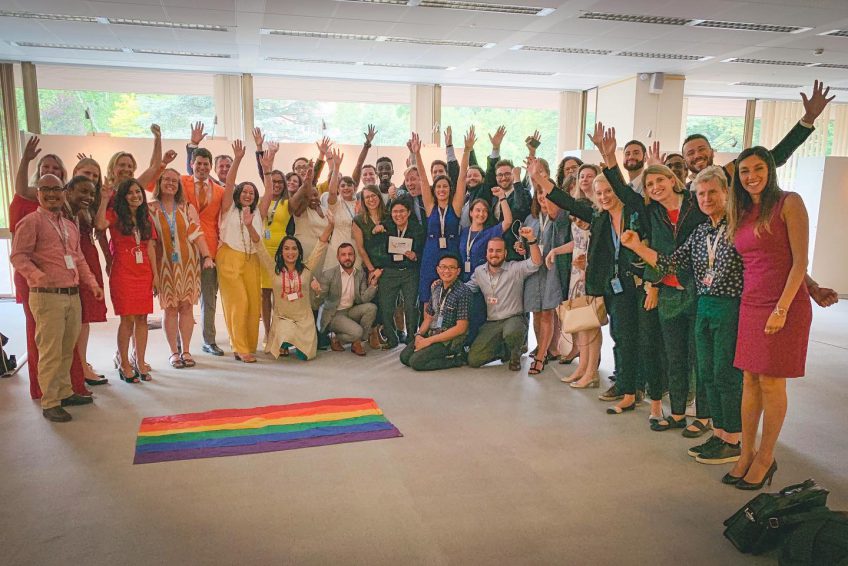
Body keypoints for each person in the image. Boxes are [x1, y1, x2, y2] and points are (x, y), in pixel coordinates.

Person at [621, 166, 744, 465]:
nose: (706, 198)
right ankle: (719, 435)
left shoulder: (740, 228)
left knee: (725, 374)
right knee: (708, 372)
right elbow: (670, 263)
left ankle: (734, 438)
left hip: (732, 307)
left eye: (712, 192)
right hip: (704, 304)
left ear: (727, 193)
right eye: (701, 194)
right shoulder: (702, 232)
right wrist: (637, 246)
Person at [594, 128, 710, 436]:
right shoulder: (651, 211)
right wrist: (608, 157)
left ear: (673, 180)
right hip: (667, 290)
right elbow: (624, 192)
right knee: (673, 356)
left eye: (661, 180)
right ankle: (678, 414)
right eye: (650, 183)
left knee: (699, 357)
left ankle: (705, 416)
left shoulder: (696, 205)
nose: (656, 187)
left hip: (697, 289)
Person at [533, 156, 653, 415]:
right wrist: (540, 180)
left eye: (608, 190)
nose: (604, 196)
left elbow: (625, 192)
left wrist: (609, 159)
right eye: (599, 193)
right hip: (609, 286)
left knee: (633, 338)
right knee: (620, 337)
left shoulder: (633, 212)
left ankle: (632, 389)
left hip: (635, 285)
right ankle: (625, 386)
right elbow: (567, 203)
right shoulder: (598, 217)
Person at [723, 147, 813, 490]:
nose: (751, 176)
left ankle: (766, 456)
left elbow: (798, 260)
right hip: (751, 303)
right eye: (744, 171)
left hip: (783, 305)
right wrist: (815, 286)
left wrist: (782, 308)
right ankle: (746, 452)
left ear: (770, 169)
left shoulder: (789, 202)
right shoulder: (743, 210)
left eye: (758, 169)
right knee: (749, 380)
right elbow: (764, 257)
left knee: (772, 382)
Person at [10, 174, 104, 422]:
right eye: (46, 189)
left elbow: (80, 259)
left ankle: (64, 392)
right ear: (38, 193)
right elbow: (18, 256)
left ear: (64, 192)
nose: (52, 194)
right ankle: (50, 402)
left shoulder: (69, 225)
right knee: (50, 351)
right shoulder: (31, 222)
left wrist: (92, 284)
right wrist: (36, 275)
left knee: (66, 349)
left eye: (56, 189)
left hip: (71, 295)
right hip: (47, 296)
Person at [681, 80, 833, 184]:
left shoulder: (734, 171)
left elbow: (777, 157)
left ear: (712, 152)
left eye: (701, 149)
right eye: (690, 153)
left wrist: (809, 118)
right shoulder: (686, 193)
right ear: (685, 160)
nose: (697, 155)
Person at [96, 177, 159, 383]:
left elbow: (149, 247)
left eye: (138, 192)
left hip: (144, 272)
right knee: (127, 319)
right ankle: (124, 363)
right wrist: (105, 199)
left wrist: (156, 275)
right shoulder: (115, 215)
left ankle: (140, 361)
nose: (136, 196)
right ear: (123, 197)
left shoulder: (145, 216)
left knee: (142, 318)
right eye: (131, 193)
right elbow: (99, 224)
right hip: (123, 272)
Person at [149, 166, 211, 369]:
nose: (170, 183)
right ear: (159, 183)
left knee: (186, 307)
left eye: (174, 181)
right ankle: (173, 353)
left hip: (188, 264)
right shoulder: (151, 209)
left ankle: (185, 350)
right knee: (169, 308)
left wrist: (207, 256)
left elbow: (197, 233)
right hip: (164, 265)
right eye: (166, 179)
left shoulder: (187, 207)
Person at [548, 178, 602, 388]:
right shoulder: (577, 224)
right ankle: (582, 367)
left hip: (591, 276)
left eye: (580, 220)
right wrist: (556, 250)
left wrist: (588, 262)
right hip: (576, 275)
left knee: (592, 323)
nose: (577, 223)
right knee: (580, 323)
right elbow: (576, 243)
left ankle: (591, 371)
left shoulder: (597, 226)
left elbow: (600, 251)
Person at [466, 228, 541, 370]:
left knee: (512, 331)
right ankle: (504, 350)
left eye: (498, 251)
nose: (494, 254)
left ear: (505, 253)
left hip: (514, 318)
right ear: (486, 253)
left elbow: (536, 263)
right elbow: (466, 288)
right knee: (474, 360)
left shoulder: (515, 268)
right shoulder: (479, 271)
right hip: (492, 322)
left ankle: (515, 354)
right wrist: (444, 284)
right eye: (491, 250)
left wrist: (532, 240)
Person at [216, 141, 264, 363]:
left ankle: (248, 345)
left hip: (252, 259)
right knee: (239, 303)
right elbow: (229, 183)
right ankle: (239, 346)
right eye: (244, 191)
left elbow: (256, 239)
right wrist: (237, 159)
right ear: (238, 194)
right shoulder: (229, 208)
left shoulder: (257, 213)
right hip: (229, 257)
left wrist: (250, 224)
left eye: (251, 192)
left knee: (254, 305)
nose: (247, 194)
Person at [255, 221, 332, 360]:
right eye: (286, 248)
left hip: (304, 322)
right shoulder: (274, 270)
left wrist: (330, 224)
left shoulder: (307, 269)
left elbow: (320, 245)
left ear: (299, 252)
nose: (290, 252)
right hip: (283, 320)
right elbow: (260, 247)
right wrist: (249, 226)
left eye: (294, 248)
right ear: (281, 252)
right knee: (285, 333)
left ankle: (293, 342)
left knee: (304, 356)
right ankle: (283, 342)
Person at [412, 128, 471, 306]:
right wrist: (417, 154)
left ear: (449, 189)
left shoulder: (455, 206)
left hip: (452, 249)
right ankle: (425, 330)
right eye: (438, 187)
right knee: (427, 293)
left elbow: (461, 179)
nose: (442, 190)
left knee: (452, 292)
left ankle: (449, 329)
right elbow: (422, 179)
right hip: (431, 250)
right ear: (434, 190)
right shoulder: (430, 207)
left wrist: (467, 150)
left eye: (445, 187)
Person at [521, 162, 568, 375]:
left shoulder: (559, 217)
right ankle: (543, 347)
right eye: (539, 193)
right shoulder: (530, 218)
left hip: (552, 269)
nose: (542, 197)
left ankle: (541, 357)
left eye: (546, 194)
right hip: (534, 271)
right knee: (536, 312)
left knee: (548, 311)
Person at [181, 134, 225, 356]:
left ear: (211, 167)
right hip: (184, 248)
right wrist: (192, 144)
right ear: (192, 164)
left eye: (206, 164)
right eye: (198, 163)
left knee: (209, 298)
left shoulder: (219, 190)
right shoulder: (181, 182)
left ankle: (209, 340)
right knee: (183, 298)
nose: (202, 167)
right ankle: (179, 344)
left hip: (210, 249)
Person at [64, 172, 109, 385]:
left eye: (92, 192)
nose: (88, 197)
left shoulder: (80, 214)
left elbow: (80, 254)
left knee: (83, 319)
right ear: (69, 190)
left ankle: (81, 366)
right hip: (58, 280)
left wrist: (92, 282)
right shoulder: (57, 215)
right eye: (83, 191)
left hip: (83, 264)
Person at [458, 186, 512, 345]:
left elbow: (508, 221)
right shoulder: (464, 232)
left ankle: (479, 346)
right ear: (471, 212)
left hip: (483, 282)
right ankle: (465, 346)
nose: (480, 214)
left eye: (484, 211)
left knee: (478, 315)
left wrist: (502, 198)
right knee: (464, 316)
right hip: (464, 280)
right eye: (477, 210)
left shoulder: (490, 232)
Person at [400, 253, 472, 371]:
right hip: (433, 333)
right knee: (405, 358)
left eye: (451, 268)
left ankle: (456, 359)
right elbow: (429, 318)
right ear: (438, 269)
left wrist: (428, 341)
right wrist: (419, 335)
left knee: (416, 362)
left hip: (449, 340)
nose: (447, 271)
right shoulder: (436, 287)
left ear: (458, 271)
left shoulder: (464, 292)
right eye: (443, 267)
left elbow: (461, 328)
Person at [377, 197, 425, 349]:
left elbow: (423, 251)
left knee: (411, 306)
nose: (398, 215)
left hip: (409, 271)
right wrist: (375, 230)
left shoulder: (417, 229)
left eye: (402, 211)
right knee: (386, 306)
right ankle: (392, 338)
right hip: (389, 271)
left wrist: (415, 256)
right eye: (395, 211)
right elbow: (377, 248)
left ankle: (411, 338)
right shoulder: (385, 227)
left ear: (409, 212)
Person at [315, 243, 379, 356]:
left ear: (354, 256)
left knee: (371, 308)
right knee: (358, 331)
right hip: (334, 314)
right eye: (343, 255)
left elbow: (364, 298)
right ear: (338, 257)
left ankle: (353, 341)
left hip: (350, 310)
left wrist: (373, 285)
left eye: (350, 254)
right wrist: (318, 291)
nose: (347, 257)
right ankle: (337, 337)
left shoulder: (360, 275)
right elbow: (321, 298)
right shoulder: (329, 274)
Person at [324, 148, 361, 272]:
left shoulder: (359, 204)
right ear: (338, 188)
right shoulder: (336, 203)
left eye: (349, 185)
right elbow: (332, 192)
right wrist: (336, 167)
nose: (346, 188)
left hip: (355, 247)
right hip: (337, 246)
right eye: (342, 185)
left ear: (354, 188)